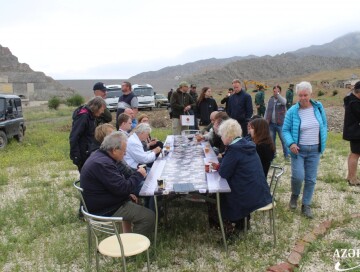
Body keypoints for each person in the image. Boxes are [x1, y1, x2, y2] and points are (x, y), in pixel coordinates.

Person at [80, 132, 155, 237]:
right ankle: (132, 248)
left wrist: (126, 195)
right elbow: (123, 188)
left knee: (134, 201)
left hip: (102, 201)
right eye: (124, 151)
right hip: (104, 208)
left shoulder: (101, 156)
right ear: (114, 150)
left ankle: (127, 238)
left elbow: (115, 185)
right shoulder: (103, 164)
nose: (125, 154)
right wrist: (138, 175)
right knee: (148, 216)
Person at [216, 119, 272, 236]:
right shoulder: (246, 145)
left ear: (228, 136)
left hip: (247, 195)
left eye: (222, 135)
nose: (221, 138)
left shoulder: (234, 150)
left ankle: (228, 227)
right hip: (260, 191)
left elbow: (224, 173)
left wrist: (220, 164)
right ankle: (240, 223)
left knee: (219, 195)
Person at [282, 81, 327, 218]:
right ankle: (294, 195)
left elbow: (324, 124)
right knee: (298, 177)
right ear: (297, 95)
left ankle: (306, 205)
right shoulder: (292, 111)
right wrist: (291, 144)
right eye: (300, 95)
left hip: (315, 150)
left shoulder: (318, 107)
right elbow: (285, 130)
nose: (302, 98)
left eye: (305, 95)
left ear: (310, 94)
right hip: (298, 151)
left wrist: (322, 140)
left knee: (311, 179)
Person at [69, 96, 106, 172]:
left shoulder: (91, 116)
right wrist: (76, 156)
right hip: (83, 154)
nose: (102, 112)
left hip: (89, 152)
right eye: (102, 109)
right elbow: (74, 137)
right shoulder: (83, 117)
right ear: (96, 107)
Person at [265, 85, 289, 159]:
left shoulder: (282, 100)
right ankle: (273, 154)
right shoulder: (270, 100)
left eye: (278, 91)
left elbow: (284, 102)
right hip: (271, 124)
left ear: (280, 92)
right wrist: (265, 121)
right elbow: (267, 111)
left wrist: (278, 95)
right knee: (272, 141)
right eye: (274, 91)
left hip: (280, 124)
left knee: (283, 140)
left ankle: (286, 155)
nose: (275, 92)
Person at [343, 81, 360, 186]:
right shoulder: (355, 103)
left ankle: (350, 176)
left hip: (353, 131)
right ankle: (353, 179)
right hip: (356, 132)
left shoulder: (351, 100)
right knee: (355, 154)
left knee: (353, 154)